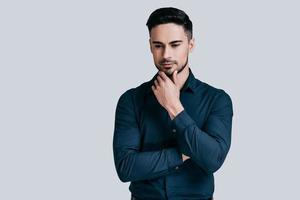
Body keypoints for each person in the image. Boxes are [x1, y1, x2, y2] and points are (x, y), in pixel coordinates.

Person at [113, 7, 233, 200]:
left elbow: (213, 159)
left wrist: (173, 106)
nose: (166, 54)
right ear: (150, 46)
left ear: (191, 44)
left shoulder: (217, 99)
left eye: (175, 44)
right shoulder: (131, 100)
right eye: (158, 45)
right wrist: (183, 154)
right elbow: (126, 168)